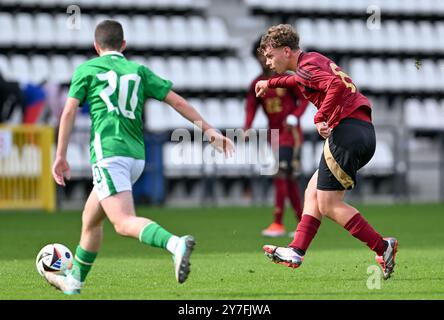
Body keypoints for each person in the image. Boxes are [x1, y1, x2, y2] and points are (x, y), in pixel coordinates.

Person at [44, 20, 234, 295]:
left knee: (122, 223)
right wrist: (210, 130)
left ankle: (174, 243)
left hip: (109, 154)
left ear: (96, 46)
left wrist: (60, 155)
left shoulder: (87, 69)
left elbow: (68, 112)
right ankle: (75, 281)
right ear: (124, 45)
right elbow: (178, 101)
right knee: (91, 218)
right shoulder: (138, 71)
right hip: (136, 157)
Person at [255, 24, 398, 279]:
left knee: (329, 204)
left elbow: (335, 85)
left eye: (269, 55)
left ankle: (382, 246)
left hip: (347, 133)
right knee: (313, 191)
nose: (267, 61)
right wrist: (271, 82)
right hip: (362, 131)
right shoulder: (312, 60)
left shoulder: (306, 68)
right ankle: (296, 250)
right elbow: (299, 80)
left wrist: (320, 116)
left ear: (285, 51)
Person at [244, 38, 308, 237]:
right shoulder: (256, 83)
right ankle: (302, 223)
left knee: (281, 173)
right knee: (288, 178)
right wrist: (247, 127)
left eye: (266, 55)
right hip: (273, 136)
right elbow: (251, 107)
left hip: (290, 135)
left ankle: (278, 223)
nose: (263, 60)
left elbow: (305, 99)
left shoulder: (287, 78)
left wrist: (294, 116)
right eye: (259, 56)